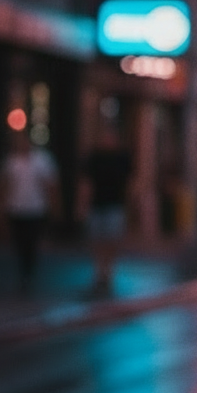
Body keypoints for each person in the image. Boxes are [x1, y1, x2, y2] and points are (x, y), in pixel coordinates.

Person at [0, 129, 60, 294]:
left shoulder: (42, 160)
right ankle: (23, 274)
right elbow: (3, 186)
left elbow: (51, 186)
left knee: (31, 243)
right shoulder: (11, 161)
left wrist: (54, 207)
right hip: (16, 208)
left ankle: (28, 274)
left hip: (36, 209)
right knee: (19, 242)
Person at [80, 123, 134, 294]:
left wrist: (131, 205)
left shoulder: (122, 158)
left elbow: (130, 182)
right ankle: (99, 272)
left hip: (115, 204)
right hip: (97, 204)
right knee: (97, 240)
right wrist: (83, 204)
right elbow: (86, 183)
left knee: (111, 240)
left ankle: (108, 273)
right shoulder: (94, 158)